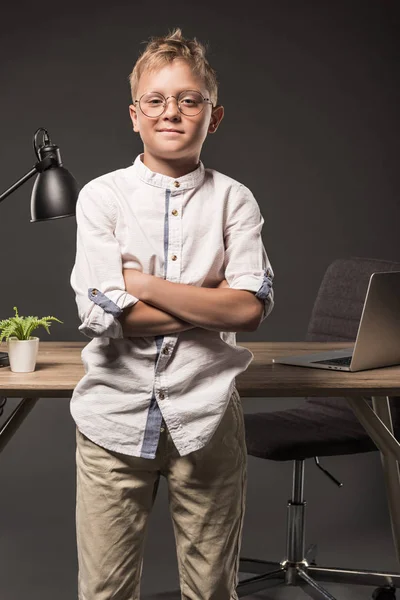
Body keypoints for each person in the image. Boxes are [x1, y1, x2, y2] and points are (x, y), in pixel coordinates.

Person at [70, 27, 274, 600]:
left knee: (212, 591)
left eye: (190, 100)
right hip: (112, 419)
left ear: (215, 116)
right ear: (134, 115)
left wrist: (144, 285)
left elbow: (250, 309)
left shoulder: (236, 200)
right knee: (104, 592)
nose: (172, 113)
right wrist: (211, 302)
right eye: (156, 101)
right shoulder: (101, 197)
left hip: (208, 417)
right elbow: (117, 318)